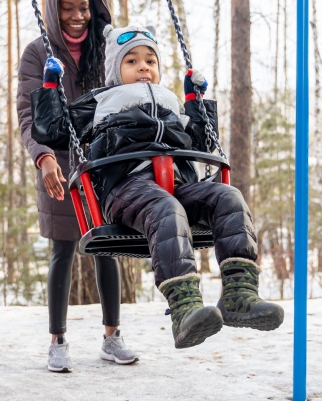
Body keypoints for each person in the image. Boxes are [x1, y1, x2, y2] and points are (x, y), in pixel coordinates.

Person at [31, 23, 285, 350]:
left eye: (150, 61)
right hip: (126, 187)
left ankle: (239, 295)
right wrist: (50, 86)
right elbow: (52, 131)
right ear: (115, 69)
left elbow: (203, 140)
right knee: (166, 208)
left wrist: (195, 102)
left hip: (177, 184)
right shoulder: (101, 100)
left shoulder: (171, 102)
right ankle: (184, 309)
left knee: (228, 197)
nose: (143, 68)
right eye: (132, 61)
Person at [16, 0, 138, 373]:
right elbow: (27, 116)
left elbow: (128, 93)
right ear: (54, 7)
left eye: (83, 7)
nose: (76, 15)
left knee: (107, 247)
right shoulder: (38, 52)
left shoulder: (107, 48)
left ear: (93, 6)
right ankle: (58, 340)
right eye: (66, 7)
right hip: (59, 164)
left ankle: (112, 336)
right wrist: (42, 156)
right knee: (63, 250)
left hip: (102, 159)